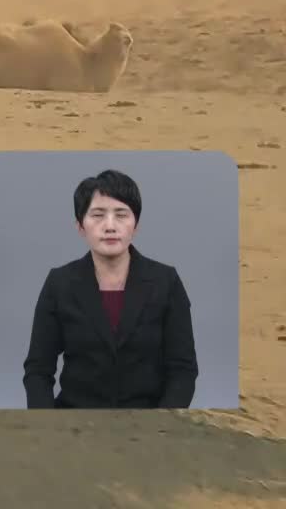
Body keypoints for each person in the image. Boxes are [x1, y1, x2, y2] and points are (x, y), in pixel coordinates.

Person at [22, 168, 199, 408]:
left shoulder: (166, 282)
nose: (110, 226)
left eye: (121, 214)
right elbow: (38, 371)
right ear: (80, 226)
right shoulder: (59, 283)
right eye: (97, 215)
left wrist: (162, 427)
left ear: (135, 225)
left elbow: (183, 370)